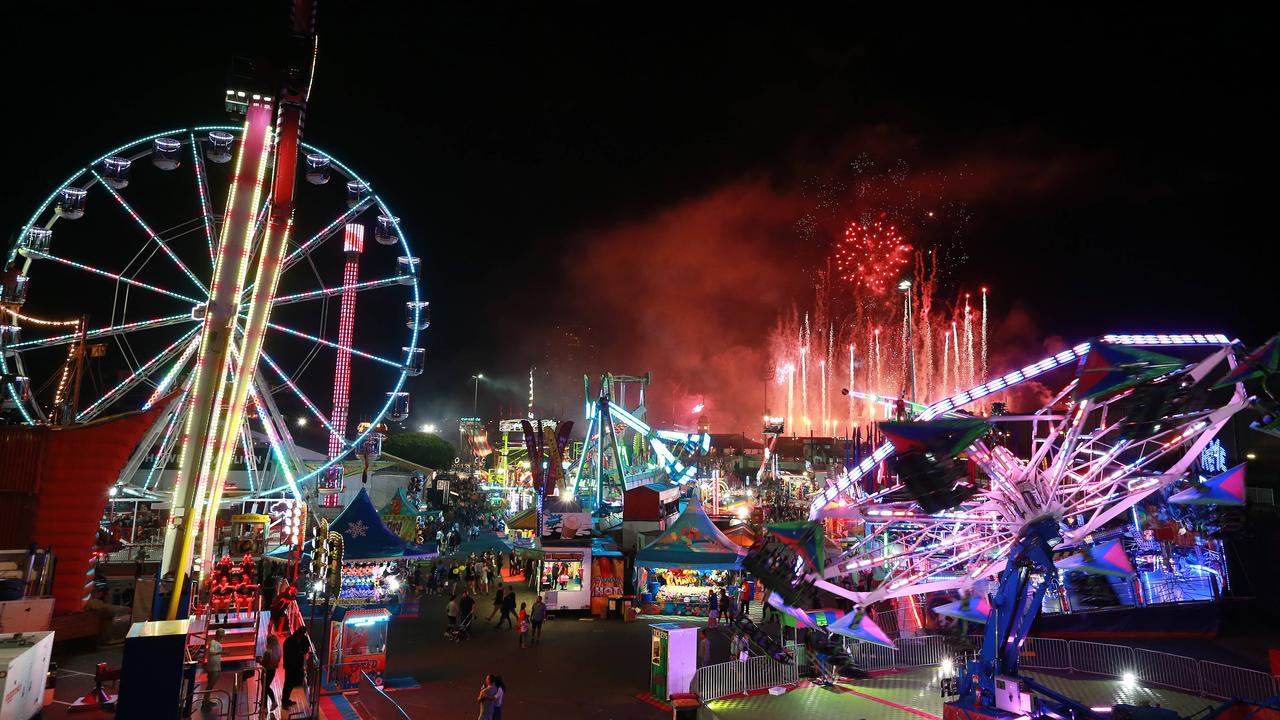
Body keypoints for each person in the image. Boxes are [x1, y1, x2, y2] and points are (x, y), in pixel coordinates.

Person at [282, 626, 309, 709]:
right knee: (288, 683)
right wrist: (299, 652)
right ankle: (284, 701)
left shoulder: (301, 639)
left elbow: (305, 649)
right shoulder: (289, 641)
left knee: (291, 683)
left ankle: (286, 700)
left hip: (296, 664)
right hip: (290, 665)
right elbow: (288, 653)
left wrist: (301, 651)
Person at [202, 629, 224, 708]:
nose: (222, 637)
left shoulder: (215, 643)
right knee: (210, 684)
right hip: (213, 667)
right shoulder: (213, 643)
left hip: (214, 666)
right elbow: (211, 652)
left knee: (211, 684)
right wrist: (221, 652)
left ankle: (206, 700)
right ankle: (205, 700)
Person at [260, 632, 282, 712]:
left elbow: (264, 663)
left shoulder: (268, 652)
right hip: (273, 671)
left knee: (265, 688)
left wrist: (259, 660)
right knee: (266, 687)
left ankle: (265, 707)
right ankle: (270, 703)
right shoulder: (279, 650)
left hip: (266, 671)